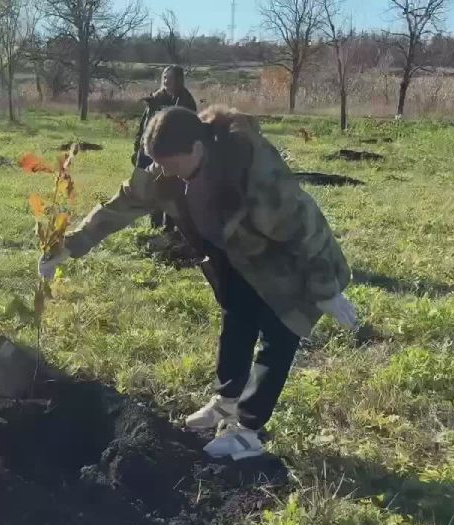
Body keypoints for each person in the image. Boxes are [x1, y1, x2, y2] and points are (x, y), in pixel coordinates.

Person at [39, 106, 358, 461]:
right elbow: (124, 203)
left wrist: (326, 289)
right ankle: (226, 400)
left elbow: (304, 227)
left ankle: (248, 431)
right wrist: (70, 245)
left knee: (278, 335)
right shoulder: (167, 170)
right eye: (161, 165)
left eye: (173, 164)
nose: (167, 173)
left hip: (288, 259)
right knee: (236, 318)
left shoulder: (251, 166)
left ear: (197, 147)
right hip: (234, 257)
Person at [132, 65, 197, 234]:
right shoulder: (155, 99)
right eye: (165, 78)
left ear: (179, 80)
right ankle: (154, 226)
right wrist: (136, 147)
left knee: (169, 191)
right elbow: (144, 126)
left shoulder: (186, 102)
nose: (167, 81)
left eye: (171, 78)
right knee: (150, 188)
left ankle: (170, 228)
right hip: (149, 150)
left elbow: (190, 130)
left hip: (171, 155)